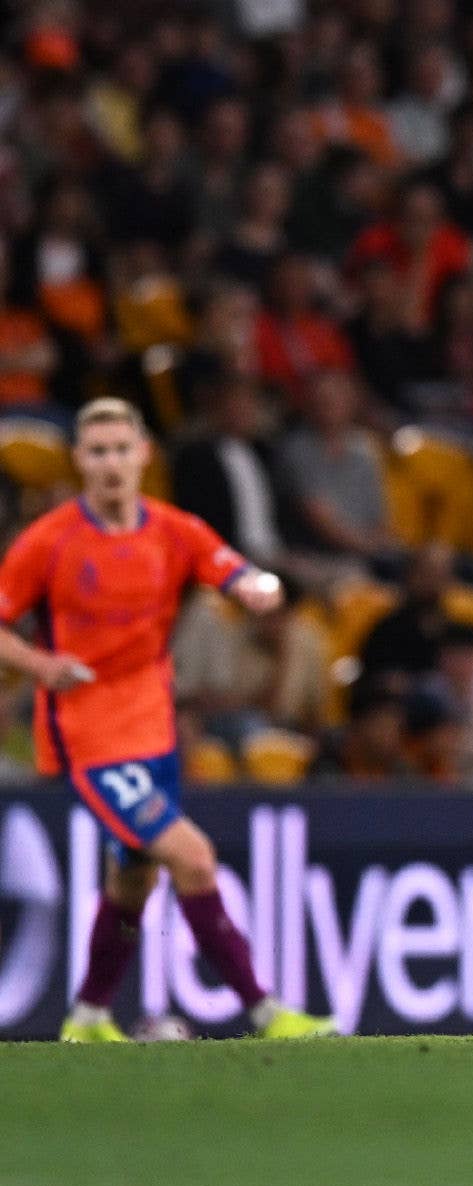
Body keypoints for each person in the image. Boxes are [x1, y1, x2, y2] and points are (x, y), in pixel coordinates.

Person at [0, 398, 333, 1041]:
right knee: (194, 858)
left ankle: (89, 1017)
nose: (111, 464)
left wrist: (259, 588)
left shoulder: (173, 530)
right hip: (88, 730)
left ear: (144, 455)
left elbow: (234, 570)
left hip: (152, 726)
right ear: (79, 462)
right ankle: (265, 1011)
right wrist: (40, 666)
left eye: (122, 450)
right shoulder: (51, 540)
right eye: (97, 452)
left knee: (133, 877)